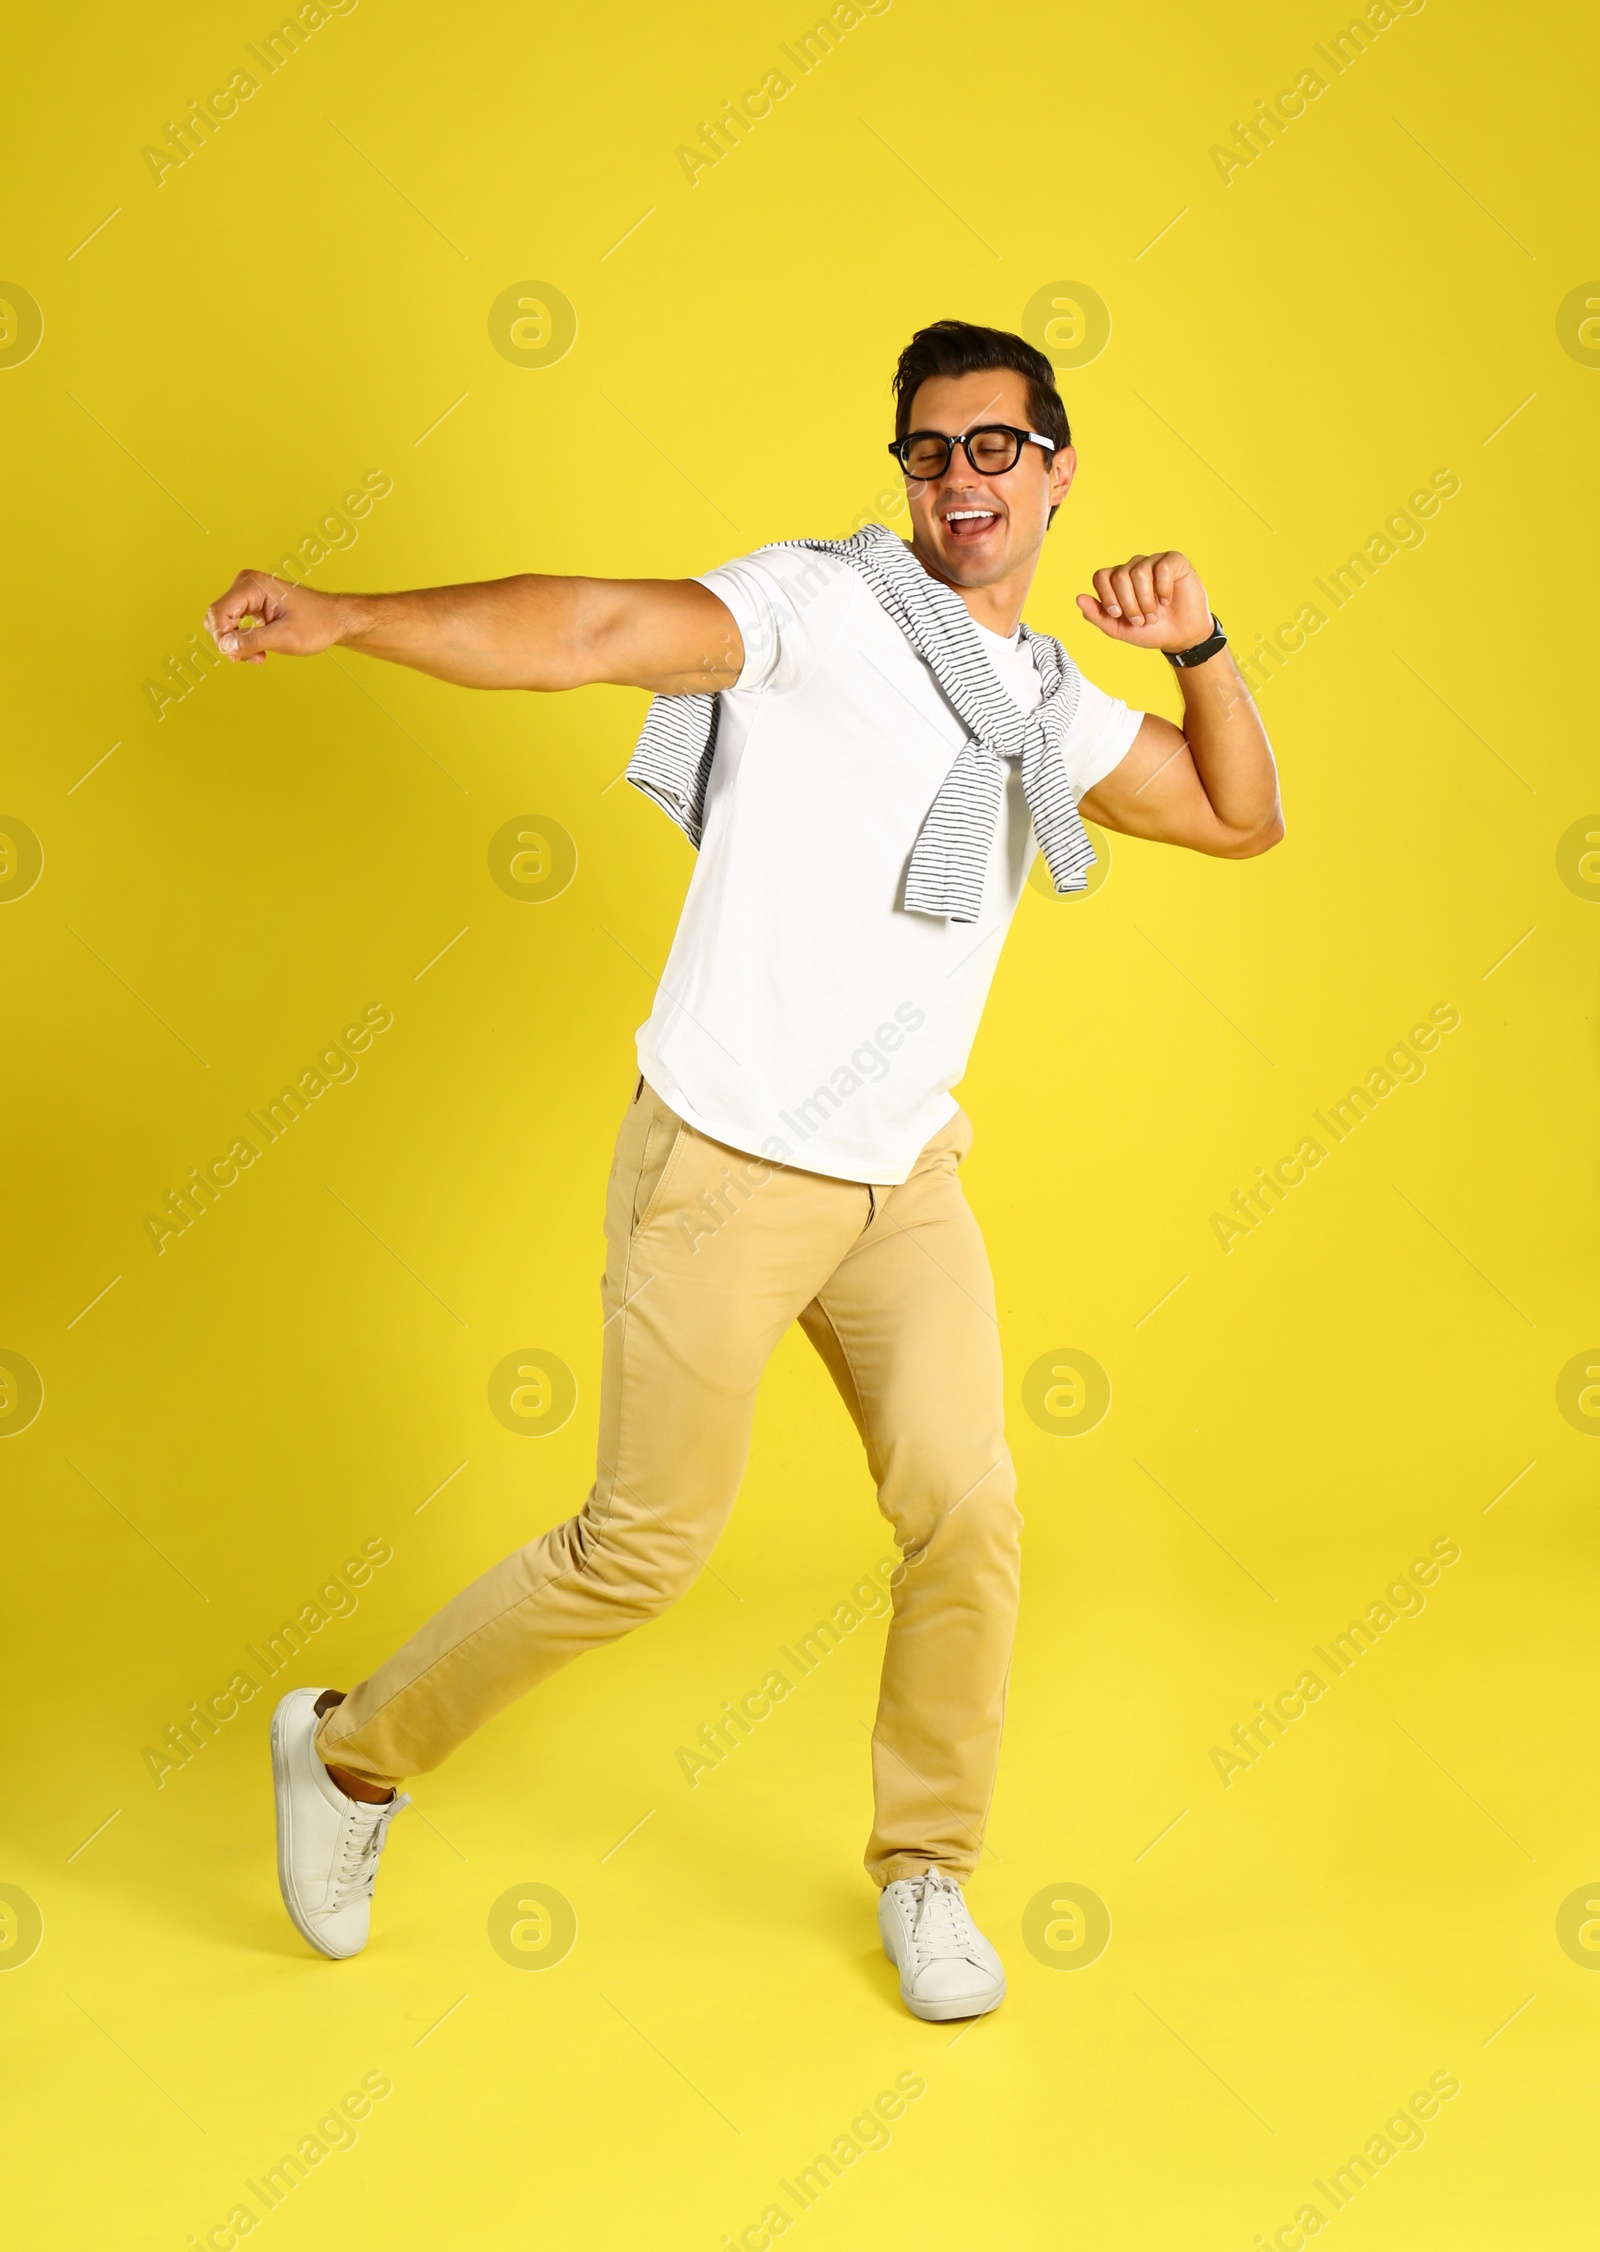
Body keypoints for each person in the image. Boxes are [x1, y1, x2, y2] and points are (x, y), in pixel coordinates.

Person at [206, 318, 1282, 2022]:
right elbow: (594, 627)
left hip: (899, 1176)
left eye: (993, 447)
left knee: (970, 1509)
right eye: (929, 451)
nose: (959, 480)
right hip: (724, 1166)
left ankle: (926, 1869)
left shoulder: (1042, 702)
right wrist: (350, 616)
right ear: (906, 478)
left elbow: (1237, 815)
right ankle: (345, 1758)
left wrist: (1205, 642)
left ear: (1058, 469)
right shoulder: (820, 606)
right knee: (642, 1549)